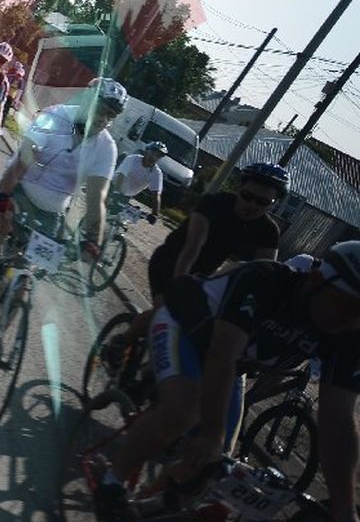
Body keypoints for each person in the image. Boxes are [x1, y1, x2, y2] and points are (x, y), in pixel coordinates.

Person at [92, 242, 360, 522]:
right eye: (345, 303)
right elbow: (221, 353)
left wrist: (345, 509)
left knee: (216, 469)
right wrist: (211, 433)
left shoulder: (351, 334)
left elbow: (339, 418)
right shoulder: (265, 280)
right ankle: (111, 484)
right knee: (182, 413)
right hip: (186, 328)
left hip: (233, 364)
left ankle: (142, 507)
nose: (350, 319)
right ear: (317, 279)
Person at [0, 78, 127, 298]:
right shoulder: (54, 117)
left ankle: (9, 309)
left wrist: (94, 239)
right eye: (101, 109)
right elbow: (19, 166)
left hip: (54, 211)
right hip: (21, 189)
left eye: (111, 116)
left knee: (27, 278)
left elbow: (96, 197)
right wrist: (1, 205)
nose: (104, 119)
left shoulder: (107, 147)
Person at [108, 162, 287, 354]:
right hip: (172, 261)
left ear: (274, 203)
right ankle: (121, 342)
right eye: (247, 196)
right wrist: (179, 286)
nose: (252, 205)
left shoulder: (268, 231)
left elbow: (264, 276)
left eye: (262, 202)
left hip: (204, 276)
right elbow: (193, 245)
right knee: (167, 314)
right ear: (238, 189)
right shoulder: (214, 203)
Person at [111, 141, 167, 223]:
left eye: (157, 156)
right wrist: (116, 192)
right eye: (152, 153)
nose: (154, 157)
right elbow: (121, 176)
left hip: (126, 196)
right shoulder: (133, 159)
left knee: (118, 220)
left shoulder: (156, 173)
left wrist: (155, 214)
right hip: (112, 188)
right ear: (147, 151)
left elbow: (156, 195)